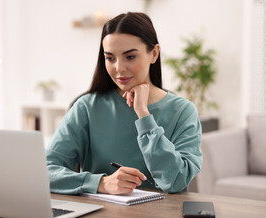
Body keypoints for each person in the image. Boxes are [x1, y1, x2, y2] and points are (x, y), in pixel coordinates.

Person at [46, 12, 202, 195]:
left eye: (130, 57)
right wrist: (101, 183)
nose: (119, 68)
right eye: (110, 58)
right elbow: (45, 171)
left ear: (154, 53)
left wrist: (144, 115)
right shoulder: (87, 107)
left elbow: (176, 181)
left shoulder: (183, 111)